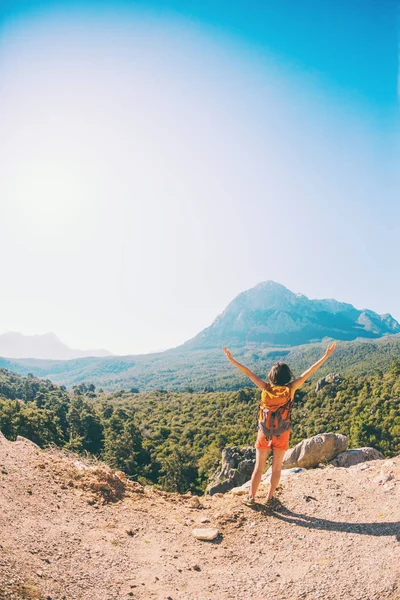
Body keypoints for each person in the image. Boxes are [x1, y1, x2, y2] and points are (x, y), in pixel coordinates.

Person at [222, 342, 336, 506]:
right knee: (276, 469)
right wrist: (325, 356)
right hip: (282, 433)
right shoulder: (291, 389)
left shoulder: (265, 388)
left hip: (264, 432)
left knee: (259, 468)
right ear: (287, 377)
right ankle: (269, 498)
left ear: (271, 376)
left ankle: (251, 498)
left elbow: (248, 372)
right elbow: (309, 372)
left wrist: (232, 359)